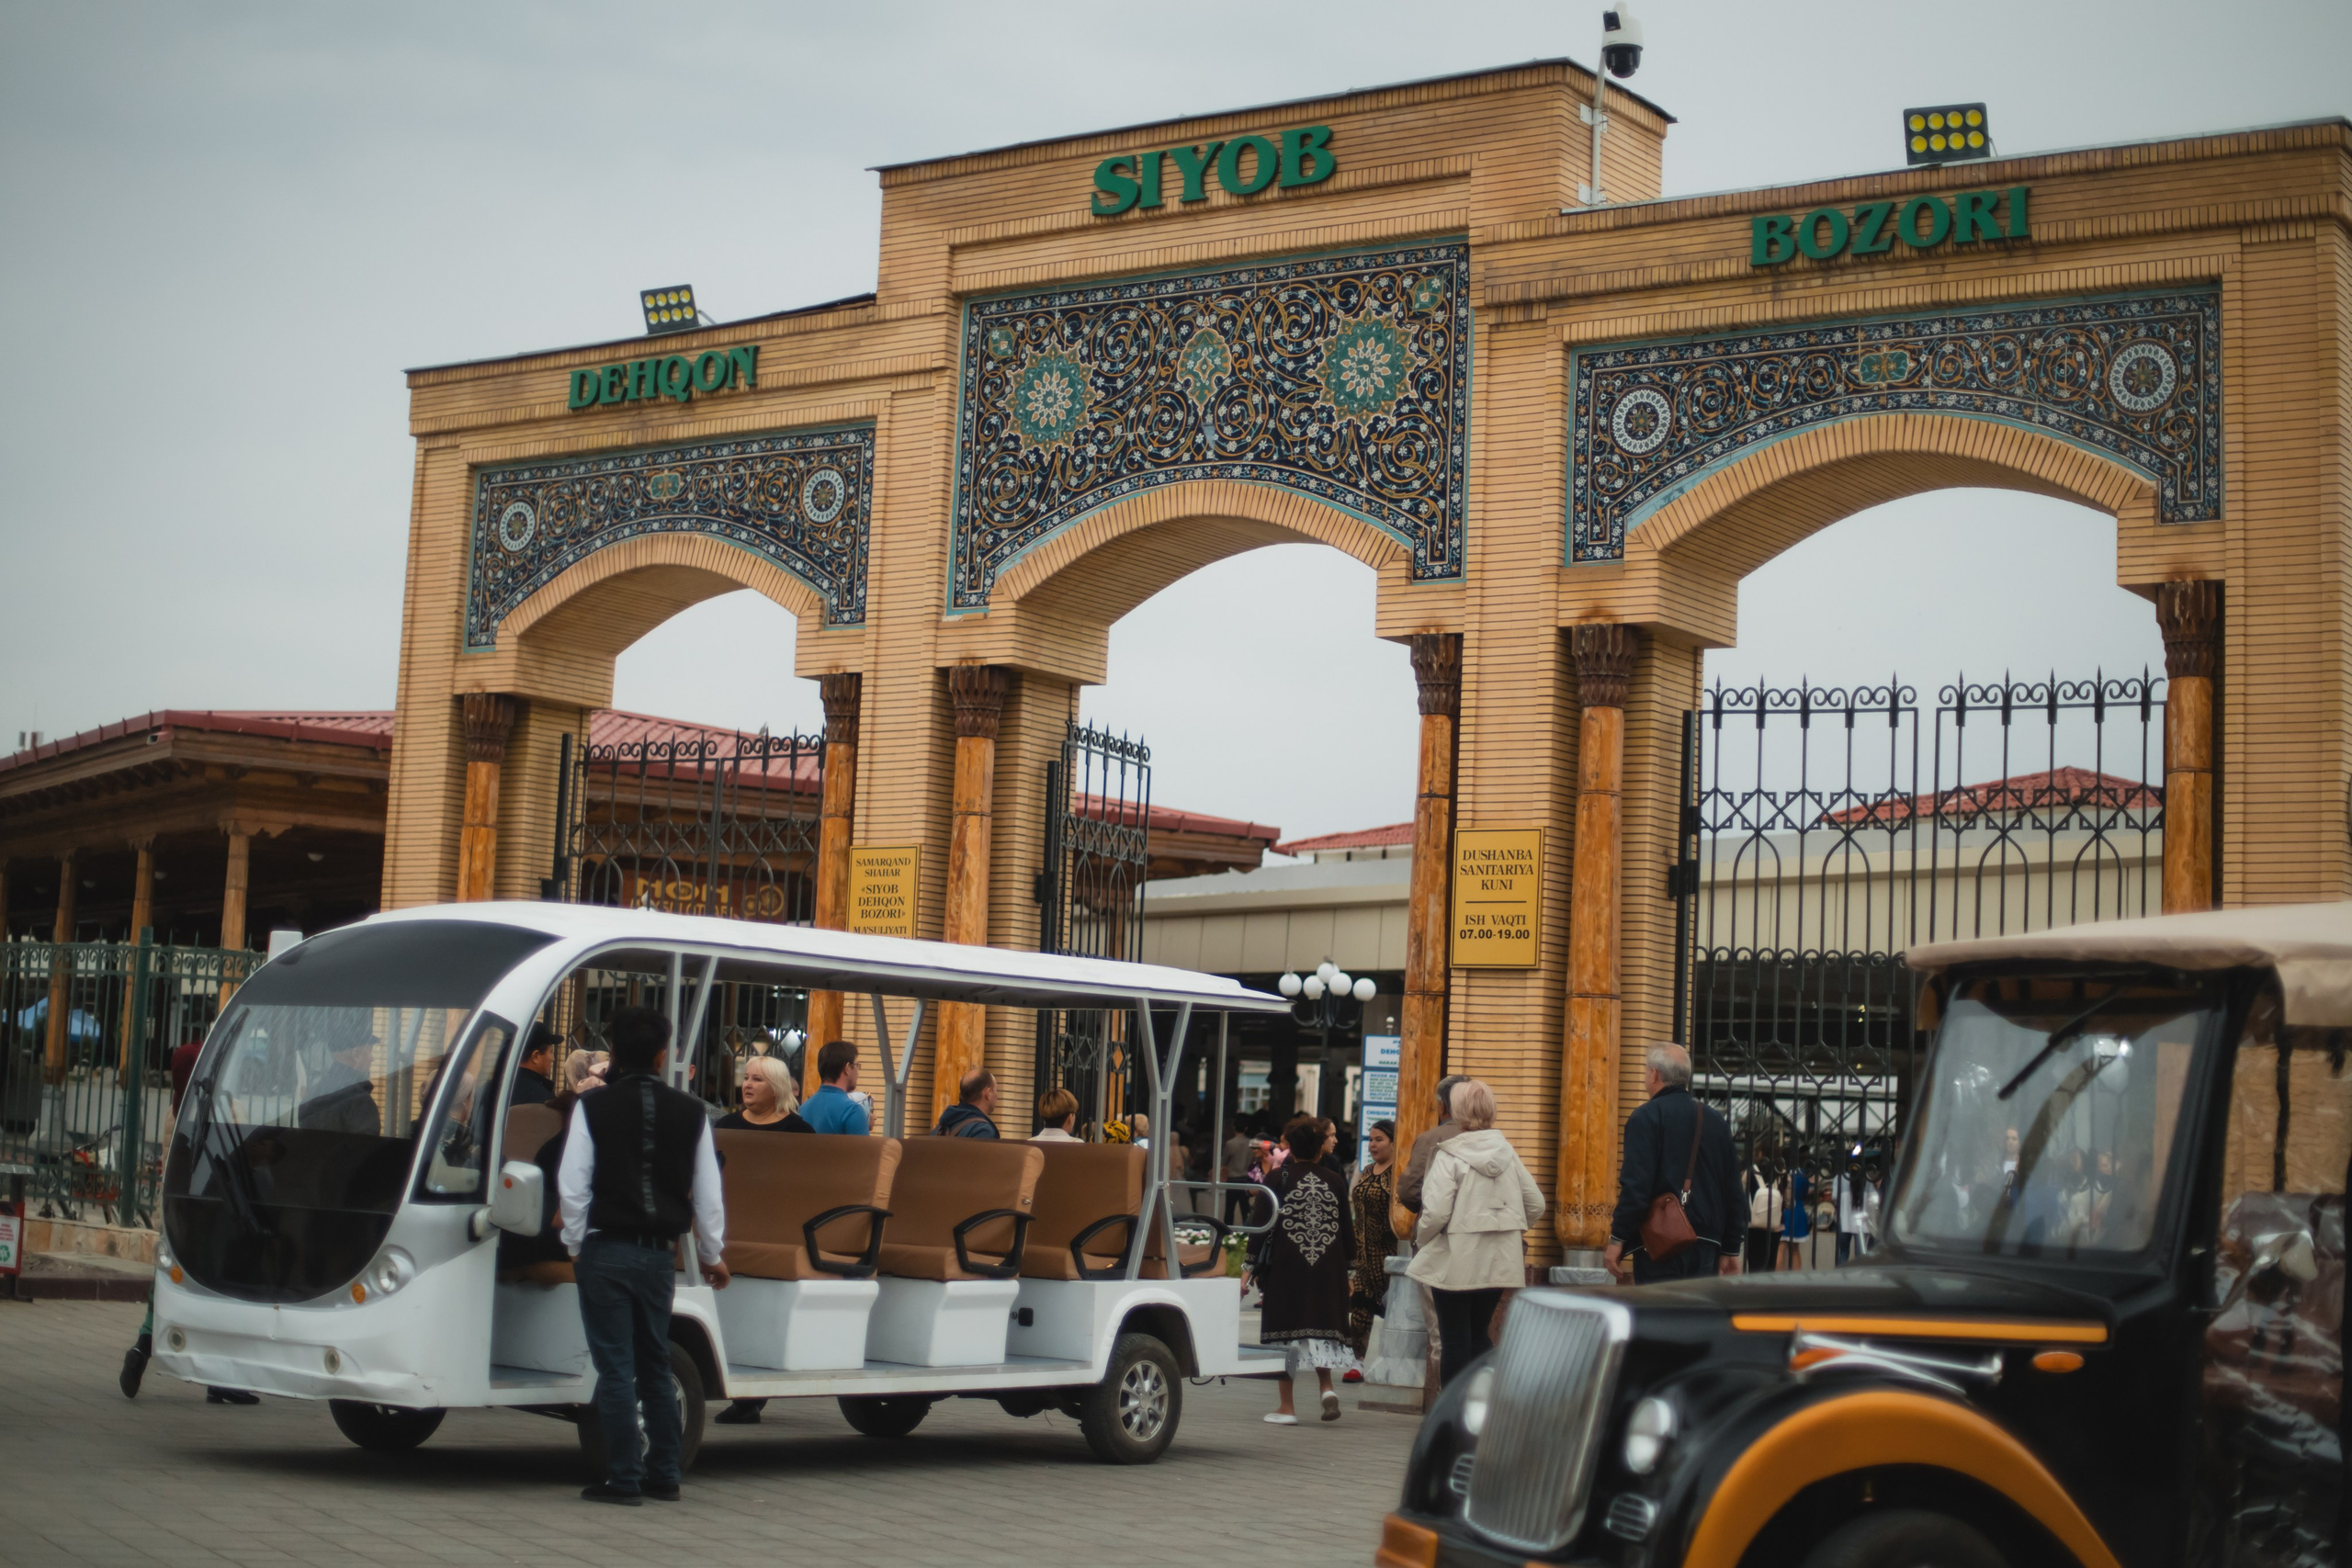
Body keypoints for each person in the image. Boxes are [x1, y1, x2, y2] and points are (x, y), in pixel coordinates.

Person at [558, 1006, 729, 1505]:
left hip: (605, 1246)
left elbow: (573, 1187)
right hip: (659, 1254)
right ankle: (665, 1474)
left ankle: (624, 1478)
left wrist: (575, 1244)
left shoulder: (592, 1109)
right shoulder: (692, 1112)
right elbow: (709, 1194)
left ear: (614, 1054)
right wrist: (712, 1253)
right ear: (662, 1055)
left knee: (614, 1367)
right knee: (654, 1360)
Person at [122, 1036, 260, 1404]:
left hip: (177, 1211)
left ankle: (142, 1347)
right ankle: (220, 1380)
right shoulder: (214, 1112)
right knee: (220, 1288)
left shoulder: (176, 1110)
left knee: (164, 1285)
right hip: (213, 1211)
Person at [1408, 1080, 1545, 1385]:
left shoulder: (1450, 1154)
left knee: (1454, 1337)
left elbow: (1436, 1212)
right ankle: (1486, 1405)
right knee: (1480, 1335)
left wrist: (1424, 1238)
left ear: (1457, 1112)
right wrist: (1507, 1229)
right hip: (1500, 1259)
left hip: (1456, 1259)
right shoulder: (1507, 1153)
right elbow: (1535, 1203)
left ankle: (1454, 1416)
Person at [1246, 1116, 1356, 1424]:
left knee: (1287, 1334)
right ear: (1320, 1148)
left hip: (1286, 1268)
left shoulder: (1277, 1178)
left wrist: (1247, 1270)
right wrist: (1351, 1272)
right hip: (1327, 1267)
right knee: (1320, 1326)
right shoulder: (1335, 1180)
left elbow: (1260, 1227)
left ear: (1290, 1147)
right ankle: (1326, 1388)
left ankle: (1287, 1408)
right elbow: (1347, 1231)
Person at [1605, 1044, 1742, 1285]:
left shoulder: (1646, 1118)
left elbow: (1636, 1187)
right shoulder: (1715, 1121)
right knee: (1696, 1316)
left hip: (1661, 1245)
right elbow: (1733, 1190)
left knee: (1661, 1316)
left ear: (1655, 1074)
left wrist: (1618, 1239)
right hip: (1707, 1244)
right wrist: (1731, 1248)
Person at [1346, 1119, 1398, 1375]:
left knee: (1393, 1311)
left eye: (1379, 1139)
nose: (1373, 1145)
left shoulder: (1399, 1173)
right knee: (1359, 1309)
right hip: (1363, 1253)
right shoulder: (1367, 1170)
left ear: (1393, 1142)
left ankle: (1394, 1361)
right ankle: (1356, 1362)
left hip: (1389, 1254)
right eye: (1370, 1139)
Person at [1396, 1073, 1470, 1216]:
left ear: (1441, 1106)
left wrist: (1429, 1209)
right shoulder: (1492, 1140)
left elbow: (1410, 1191)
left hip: (1437, 1231)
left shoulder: (1429, 1139)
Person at [715, 1055, 810, 1134]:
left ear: (776, 1088)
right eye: (746, 1078)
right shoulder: (725, 1125)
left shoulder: (798, 1130)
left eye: (757, 1079)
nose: (747, 1085)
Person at [800, 1040, 869, 1135]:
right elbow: (862, 1150)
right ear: (848, 1068)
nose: (858, 1072)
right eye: (857, 1065)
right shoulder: (852, 1111)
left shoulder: (803, 1109)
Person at [933, 1068, 1001, 1138]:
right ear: (988, 1093)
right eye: (995, 1089)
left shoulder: (939, 1129)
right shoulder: (982, 1131)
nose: (997, 1095)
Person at [1743, 1156, 1781, 1273]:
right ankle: (1768, 1288)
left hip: (1753, 1225)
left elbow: (1741, 1194)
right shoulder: (1781, 1173)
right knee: (1771, 1262)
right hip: (1775, 1226)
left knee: (1755, 1262)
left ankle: (1755, 1288)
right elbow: (1789, 1200)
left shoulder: (1749, 1172)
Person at [512, 1023, 560, 1106]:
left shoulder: (496, 1087)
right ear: (536, 1056)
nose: (553, 1059)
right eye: (551, 1052)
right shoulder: (542, 1098)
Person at [1779, 1160, 1811, 1271]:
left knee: (1780, 1248)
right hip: (1797, 1212)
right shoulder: (1801, 1174)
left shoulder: (1780, 1171)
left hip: (1782, 1211)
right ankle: (1795, 1280)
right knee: (1795, 1250)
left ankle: (1777, 1280)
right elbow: (1805, 1193)